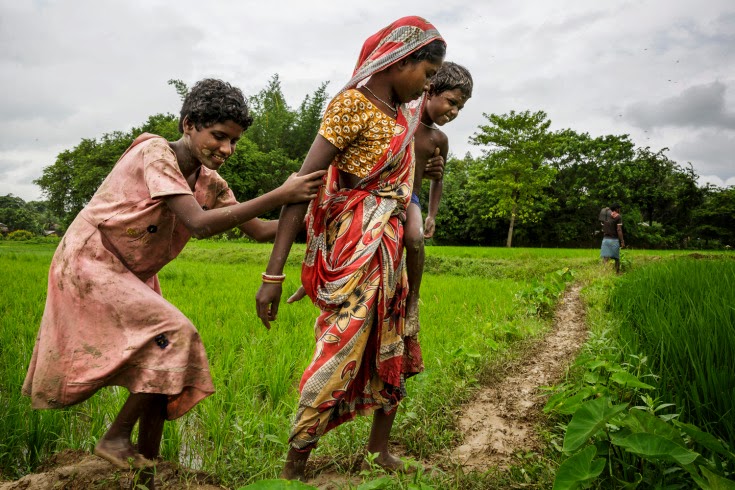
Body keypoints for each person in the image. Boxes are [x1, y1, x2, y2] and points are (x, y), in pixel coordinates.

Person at [22, 79, 325, 473]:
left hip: (131, 272)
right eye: (218, 137)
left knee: (163, 351)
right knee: (176, 333)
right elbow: (197, 224)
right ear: (188, 125)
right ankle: (115, 437)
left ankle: (146, 460)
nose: (227, 150)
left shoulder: (211, 183)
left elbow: (261, 229)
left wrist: (320, 207)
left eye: (233, 141)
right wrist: (281, 194)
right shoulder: (155, 153)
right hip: (91, 260)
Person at [255, 16, 445, 481]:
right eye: (426, 74)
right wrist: (273, 274)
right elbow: (301, 189)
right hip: (354, 252)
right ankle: (295, 464)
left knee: (392, 343)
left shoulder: (403, 118)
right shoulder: (351, 106)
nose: (426, 88)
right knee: (338, 350)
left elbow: (401, 188)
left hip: (390, 251)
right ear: (401, 61)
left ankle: (379, 451)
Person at [404, 61, 473, 333]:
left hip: (410, 199)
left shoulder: (439, 139)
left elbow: (438, 180)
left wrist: (432, 214)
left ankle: (413, 301)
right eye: (452, 102)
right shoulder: (401, 119)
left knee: (415, 237)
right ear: (430, 90)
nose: (454, 112)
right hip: (381, 193)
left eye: (460, 108)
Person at [600, 202, 625, 273]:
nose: (620, 210)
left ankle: (604, 273)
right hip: (614, 240)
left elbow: (602, 225)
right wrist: (622, 241)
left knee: (605, 258)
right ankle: (617, 273)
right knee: (616, 258)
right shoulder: (618, 216)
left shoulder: (605, 215)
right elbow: (619, 229)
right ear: (617, 209)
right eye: (619, 208)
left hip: (605, 239)